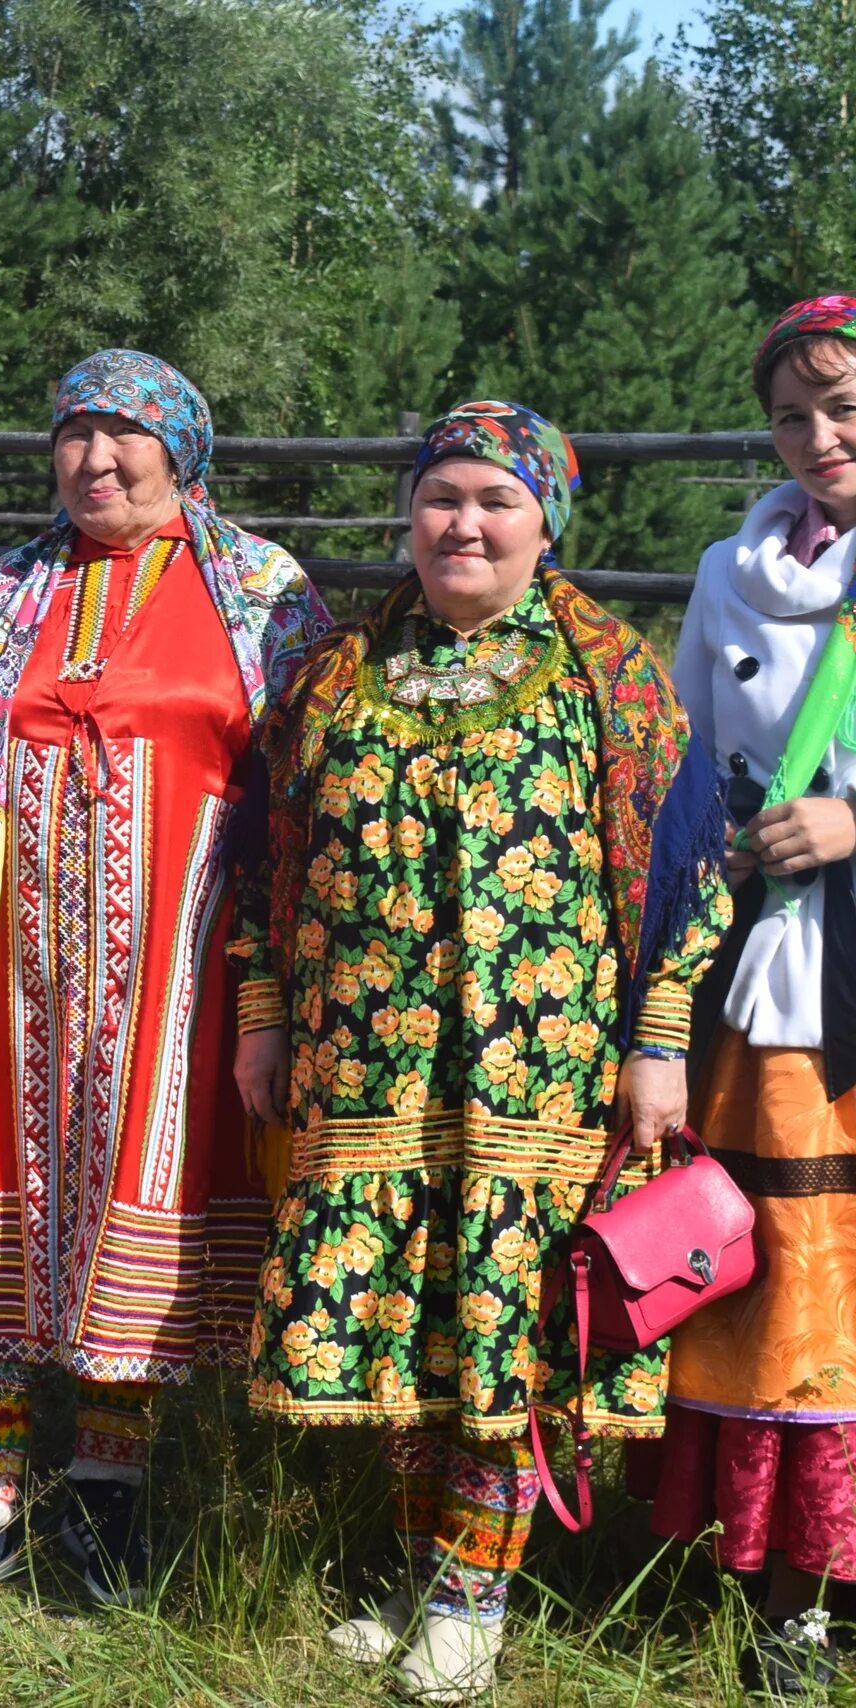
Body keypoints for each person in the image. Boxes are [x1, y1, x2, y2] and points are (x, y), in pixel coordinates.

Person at [236, 401, 729, 1701]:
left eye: (496, 502)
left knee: (513, 1336)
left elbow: (684, 878)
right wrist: (265, 1013)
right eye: (444, 497)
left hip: (541, 1076)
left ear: (546, 521)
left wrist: (658, 1042)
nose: (465, 523)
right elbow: (262, 867)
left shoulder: (610, 679)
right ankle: (412, 1571)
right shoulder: (332, 676)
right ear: (409, 512)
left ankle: (473, 1597)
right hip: (368, 1075)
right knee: (405, 1325)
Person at [0, 349, 330, 1608]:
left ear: (180, 451)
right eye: (74, 434)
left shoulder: (263, 595)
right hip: (7, 974)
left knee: (132, 1207)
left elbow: (305, 787)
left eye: (125, 435)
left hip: (176, 976)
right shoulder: (10, 590)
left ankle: (104, 1501)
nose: (95, 459)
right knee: (4, 1214)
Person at [649, 295, 856, 1701]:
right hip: (756, 971)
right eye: (794, 414)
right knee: (777, 1275)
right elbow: (687, 761)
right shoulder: (734, 571)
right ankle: (774, 1590)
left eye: (845, 405)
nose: (822, 437)